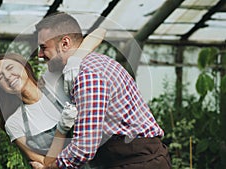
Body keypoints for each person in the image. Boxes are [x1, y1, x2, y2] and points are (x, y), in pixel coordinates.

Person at [34, 12, 172, 169]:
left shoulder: (87, 74)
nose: (39, 54)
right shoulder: (89, 64)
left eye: (44, 47)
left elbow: (84, 146)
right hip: (131, 158)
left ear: (65, 43)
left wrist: (52, 167)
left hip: (137, 162)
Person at [0, 28, 105, 167]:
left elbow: (99, 32)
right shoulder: (14, 123)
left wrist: (75, 60)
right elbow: (44, 163)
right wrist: (61, 130)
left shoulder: (54, 81)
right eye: (0, 77)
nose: (7, 76)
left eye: (10, 67)